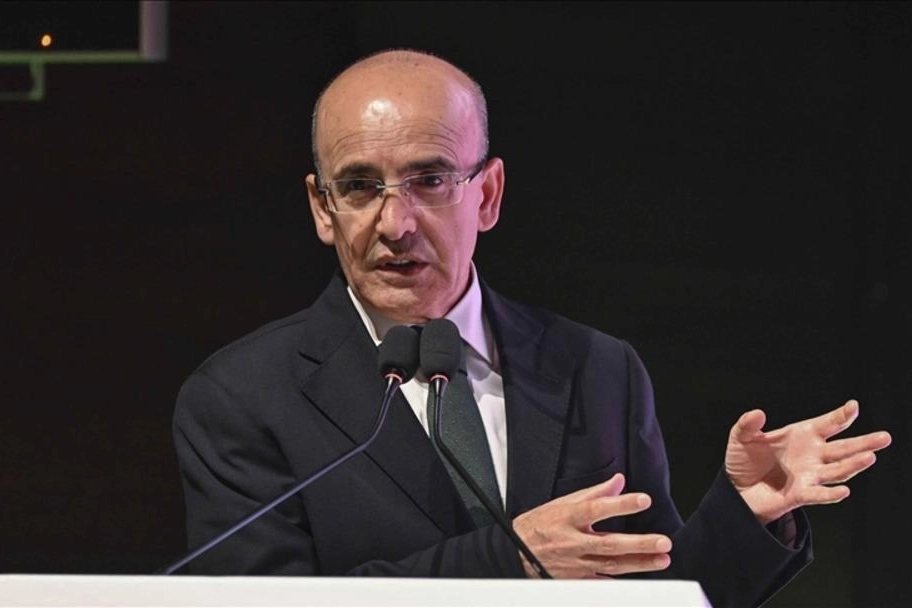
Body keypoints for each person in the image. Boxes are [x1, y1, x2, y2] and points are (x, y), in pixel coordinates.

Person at [172, 49, 892, 607]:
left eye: (431, 180)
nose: (395, 224)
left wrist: (744, 515)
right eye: (360, 187)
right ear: (322, 209)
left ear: (487, 195)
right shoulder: (242, 397)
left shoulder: (596, 369)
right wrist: (508, 559)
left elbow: (653, 594)